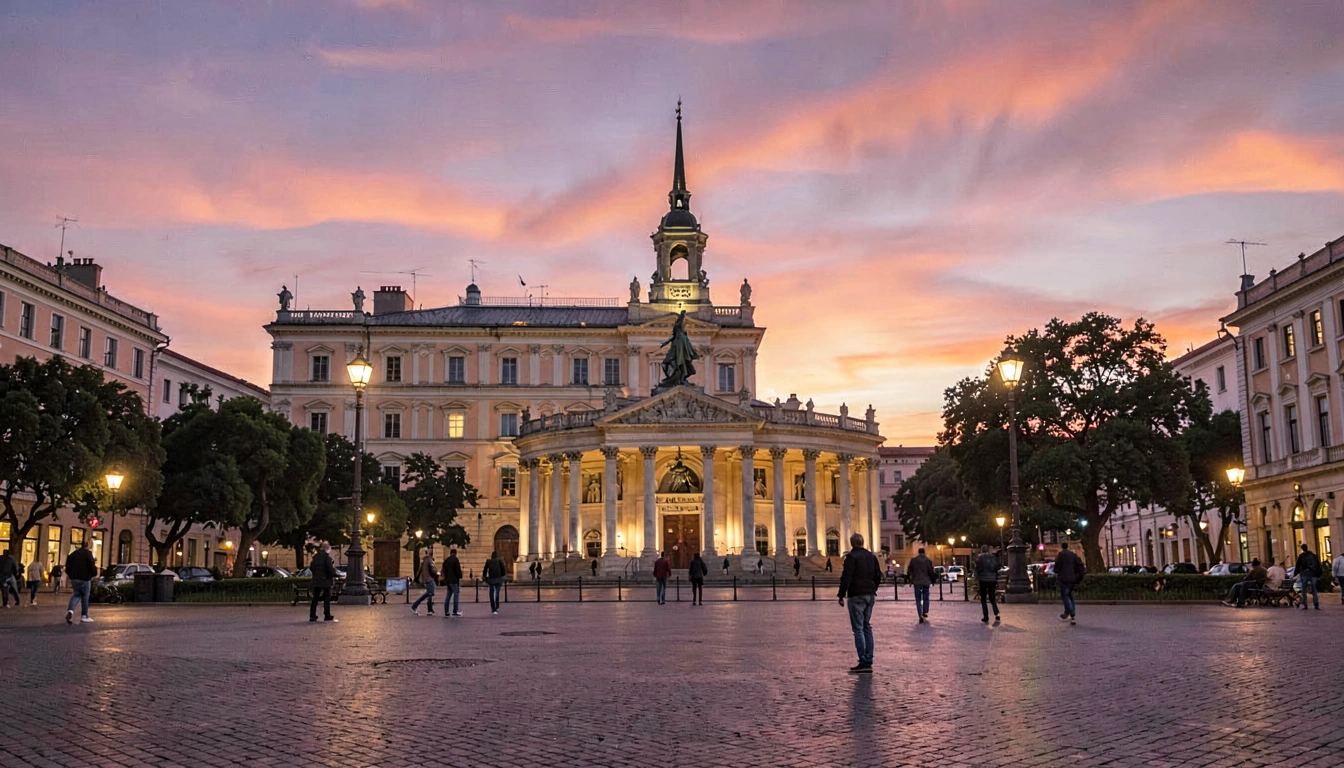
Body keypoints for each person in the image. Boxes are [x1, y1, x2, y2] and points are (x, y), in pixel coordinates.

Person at [837, 533, 882, 674]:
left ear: (852, 544)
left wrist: (841, 594)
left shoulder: (851, 556)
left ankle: (863, 660)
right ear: (862, 542)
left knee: (858, 628)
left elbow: (847, 576)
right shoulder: (871, 556)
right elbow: (878, 575)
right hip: (869, 594)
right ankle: (869, 658)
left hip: (856, 594)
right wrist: (873, 588)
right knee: (866, 626)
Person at [64, 540, 98, 625]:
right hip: (85, 578)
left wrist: (71, 576)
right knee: (85, 597)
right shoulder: (88, 554)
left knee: (76, 594)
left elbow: (67, 567)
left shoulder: (73, 554)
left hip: (75, 578)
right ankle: (84, 615)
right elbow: (91, 566)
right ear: (86, 545)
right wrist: (93, 574)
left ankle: (70, 610)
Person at [1054, 541, 1085, 625]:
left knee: (1064, 596)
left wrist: (1057, 571)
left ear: (1061, 546)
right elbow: (1079, 565)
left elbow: (1056, 567)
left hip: (1063, 578)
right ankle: (1072, 614)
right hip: (1072, 577)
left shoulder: (1060, 555)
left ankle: (1070, 612)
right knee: (1070, 595)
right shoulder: (1073, 555)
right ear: (1068, 546)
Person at [309, 542, 338, 622]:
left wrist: (316, 575)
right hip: (325, 580)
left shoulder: (315, 557)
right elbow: (330, 569)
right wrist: (334, 574)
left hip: (317, 580)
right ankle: (327, 615)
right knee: (327, 597)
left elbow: (311, 567)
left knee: (315, 598)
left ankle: (312, 615)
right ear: (327, 549)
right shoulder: (327, 558)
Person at [907, 548, 935, 623]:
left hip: (917, 582)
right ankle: (925, 611)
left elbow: (909, 570)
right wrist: (933, 581)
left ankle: (920, 614)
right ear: (924, 552)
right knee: (926, 597)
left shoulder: (913, 560)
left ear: (918, 552)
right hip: (926, 582)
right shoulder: (928, 561)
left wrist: (909, 579)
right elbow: (931, 572)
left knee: (918, 599)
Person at [974, 544, 1000, 624]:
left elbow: (978, 569)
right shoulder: (992, 558)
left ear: (981, 550)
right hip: (992, 579)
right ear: (988, 550)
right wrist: (995, 577)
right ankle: (996, 612)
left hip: (983, 580)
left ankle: (986, 616)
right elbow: (996, 568)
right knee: (992, 597)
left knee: (983, 598)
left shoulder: (979, 558)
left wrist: (977, 576)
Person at [1295, 543, 1322, 611]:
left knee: (1304, 590)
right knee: (1314, 589)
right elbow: (1318, 564)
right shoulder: (1313, 556)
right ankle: (1316, 604)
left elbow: (1298, 565)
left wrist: (1296, 573)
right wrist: (1318, 574)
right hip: (1313, 574)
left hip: (1304, 574)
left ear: (1302, 549)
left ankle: (1305, 604)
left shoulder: (1301, 556)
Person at [411, 551, 438, 616]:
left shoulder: (424, 560)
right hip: (429, 579)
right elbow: (433, 570)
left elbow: (420, 570)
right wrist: (436, 573)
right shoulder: (429, 560)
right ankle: (415, 605)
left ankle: (430, 609)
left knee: (429, 594)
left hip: (426, 579)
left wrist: (417, 578)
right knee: (429, 594)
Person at [442, 547, 463, 617]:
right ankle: (455, 611)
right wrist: (460, 576)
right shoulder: (455, 560)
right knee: (456, 596)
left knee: (448, 596)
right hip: (454, 581)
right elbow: (458, 570)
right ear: (455, 553)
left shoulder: (447, 560)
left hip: (448, 581)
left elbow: (444, 569)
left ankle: (446, 611)